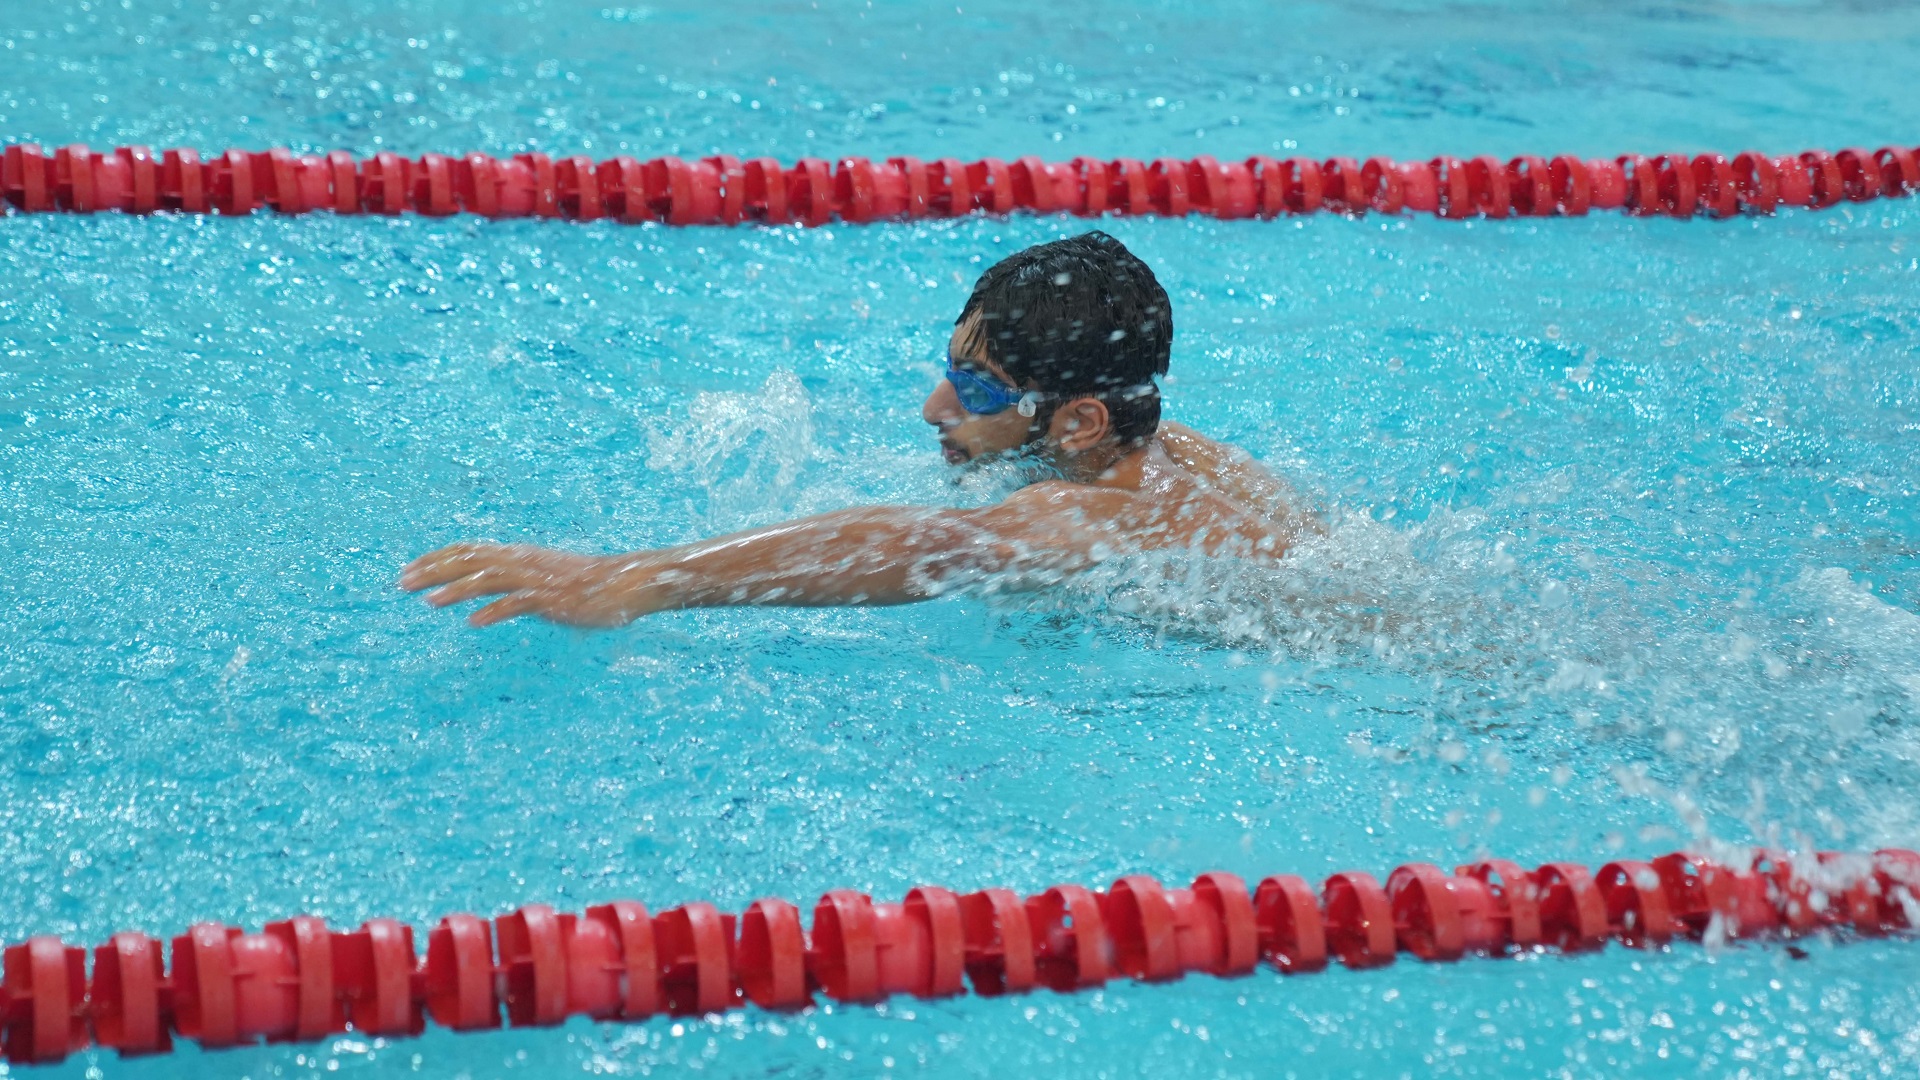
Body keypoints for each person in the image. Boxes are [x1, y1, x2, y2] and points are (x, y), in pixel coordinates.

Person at [401, 231, 1311, 628]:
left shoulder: (1083, 520)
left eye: (976, 392)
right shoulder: (1171, 451)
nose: (933, 411)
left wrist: (636, 579)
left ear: (1078, 420)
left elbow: (933, 546)